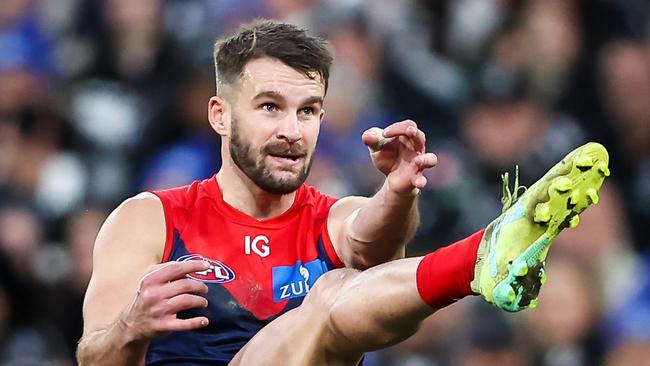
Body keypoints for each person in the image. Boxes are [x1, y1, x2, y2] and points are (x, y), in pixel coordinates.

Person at [76, 20, 610, 365]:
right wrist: (130, 326)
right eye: (270, 107)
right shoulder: (150, 219)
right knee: (329, 293)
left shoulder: (335, 219)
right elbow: (91, 357)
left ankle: (486, 256)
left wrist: (398, 193)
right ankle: (480, 258)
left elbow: (371, 244)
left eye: (308, 110)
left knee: (340, 287)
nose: (292, 130)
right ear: (221, 115)